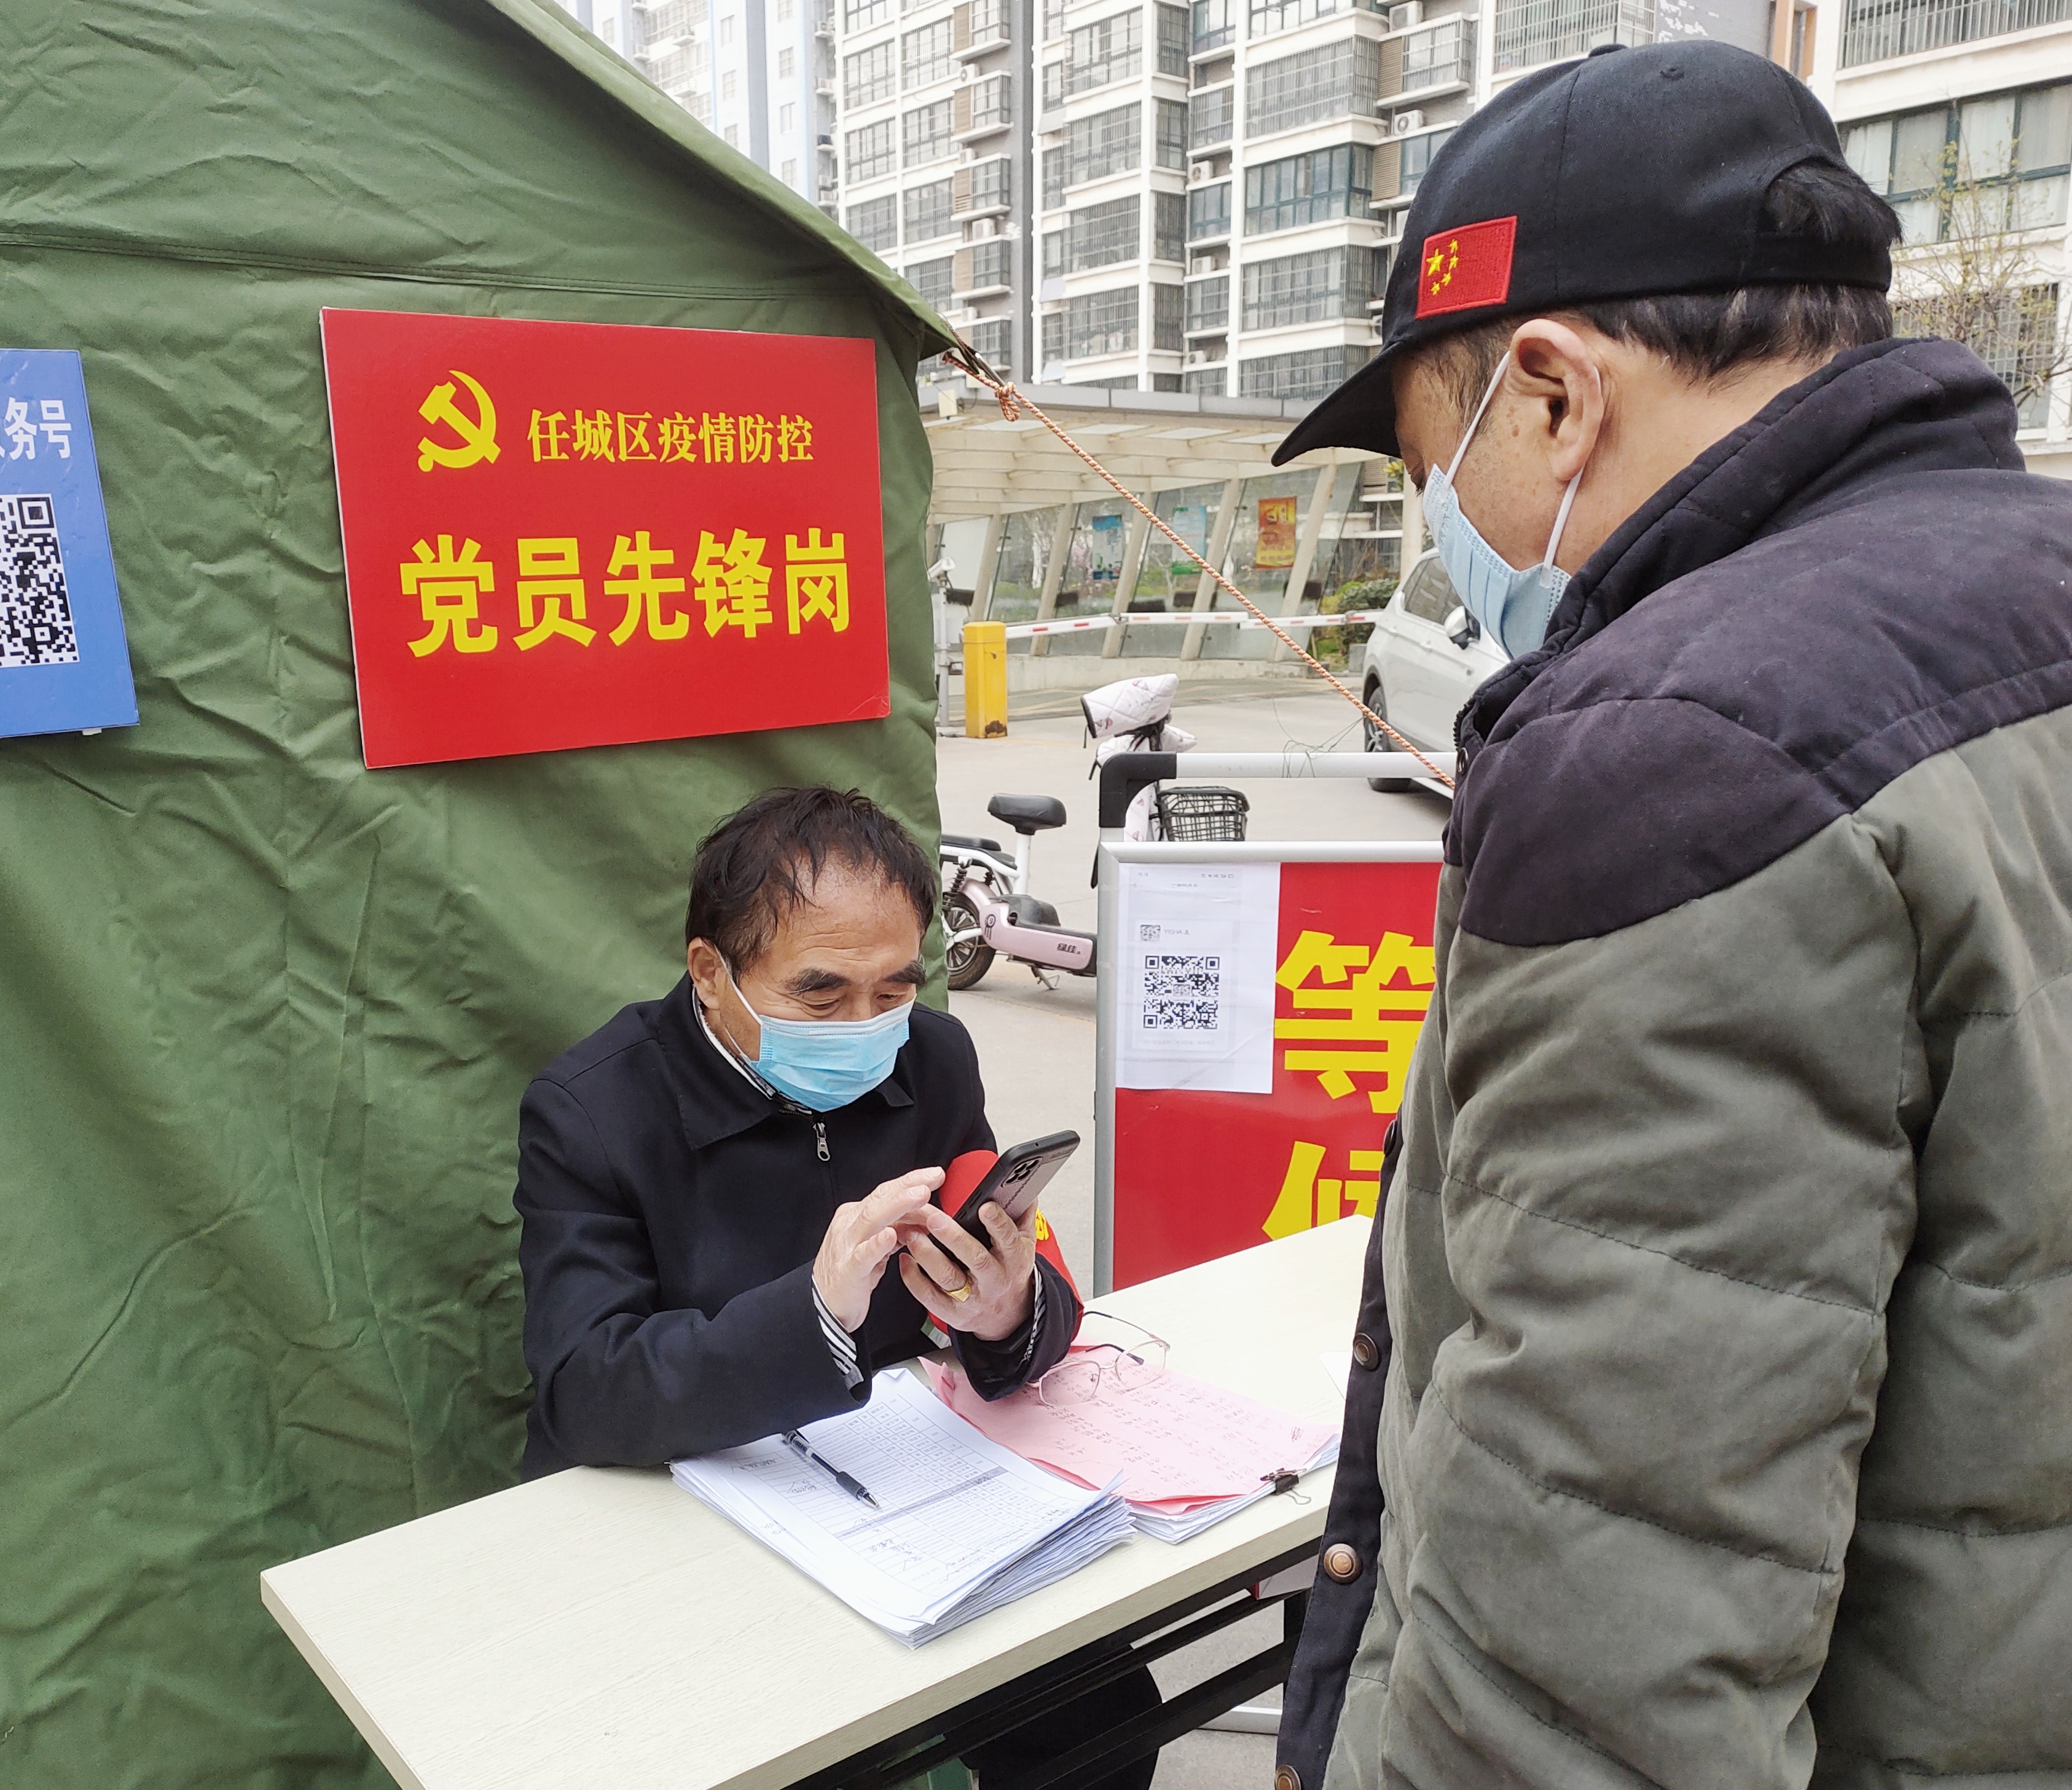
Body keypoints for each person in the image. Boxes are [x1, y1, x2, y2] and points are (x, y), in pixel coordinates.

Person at [1264, 42, 2072, 1790]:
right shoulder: (2034, 588)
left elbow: (1591, 1647)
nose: (1441, 528)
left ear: (1550, 395)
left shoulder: (1672, 761)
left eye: (1430, 460)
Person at [516, 785, 1163, 1788]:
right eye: (820, 992)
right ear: (710, 972)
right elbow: (583, 1388)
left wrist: (1002, 1308)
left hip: (919, 1504)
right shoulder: (595, 1111)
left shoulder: (932, 1056)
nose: (865, 1024)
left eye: (895, 986)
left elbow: (1037, 1294)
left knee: (1101, 1711)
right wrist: (812, 1313)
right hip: (692, 1519)